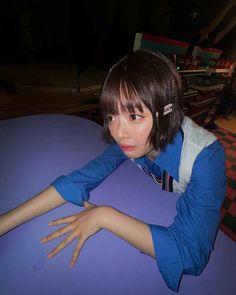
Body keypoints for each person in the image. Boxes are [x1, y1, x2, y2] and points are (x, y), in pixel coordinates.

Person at [0, 49, 226, 292]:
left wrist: (104, 216)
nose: (118, 132)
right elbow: (82, 178)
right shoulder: (132, 138)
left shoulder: (206, 158)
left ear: (165, 113)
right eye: (111, 116)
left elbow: (191, 256)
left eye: (134, 116)